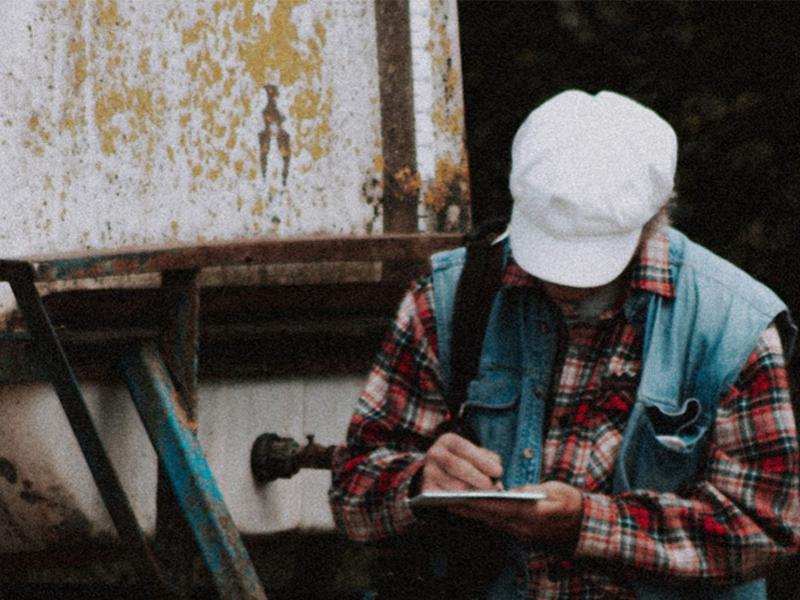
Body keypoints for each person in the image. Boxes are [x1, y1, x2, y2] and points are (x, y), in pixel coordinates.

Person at [328, 90, 800, 599]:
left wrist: (586, 524)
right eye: (549, 249)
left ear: (657, 216)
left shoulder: (731, 326)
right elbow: (353, 492)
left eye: (594, 257)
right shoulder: (448, 300)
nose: (566, 283)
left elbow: (766, 527)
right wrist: (421, 482)